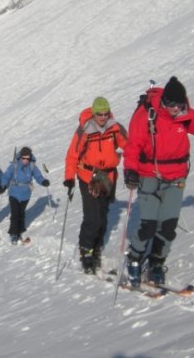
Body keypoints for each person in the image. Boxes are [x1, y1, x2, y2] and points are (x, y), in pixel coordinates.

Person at [123, 76, 194, 287]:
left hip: (176, 177)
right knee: (148, 225)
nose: (175, 109)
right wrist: (130, 171)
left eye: (179, 105)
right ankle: (135, 258)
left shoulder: (185, 114)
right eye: (171, 104)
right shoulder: (147, 114)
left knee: (168, 226)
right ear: (164, 101)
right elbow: (133, 145)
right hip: (149, 175)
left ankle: (156, 262)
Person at [63, 97, 128, 274]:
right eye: (99, 114)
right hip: (88, 176)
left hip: (107, 177)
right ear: (93, 113)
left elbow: (129, 146)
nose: (102, 117)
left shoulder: (115, 127)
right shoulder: (85, 129)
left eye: (105, 113)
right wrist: (69, 178)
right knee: (93, 217)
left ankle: (97, 248)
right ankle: (86, 251)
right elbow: (72, 155)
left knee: (103, 215)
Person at [1, 146, 49, 245]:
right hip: (14, 192)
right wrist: (3, 185)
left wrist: (43, 181)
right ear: (20, 157)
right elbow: (6, 175)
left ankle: (21, 231)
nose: (25, 160)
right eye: (24, 158)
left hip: (25, 194)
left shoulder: (32, 166)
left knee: (21, 213)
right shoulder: (14, 165)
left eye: (27, 158)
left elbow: (38, 176)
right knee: (15, 213)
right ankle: (14, 233)